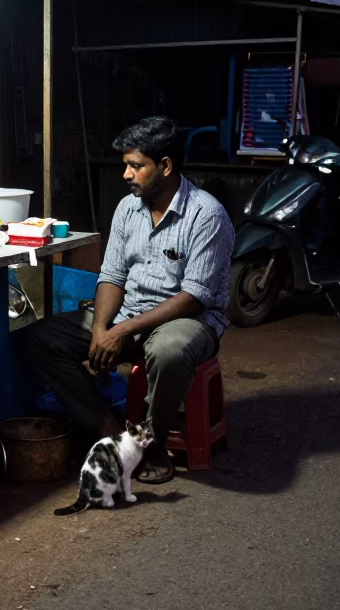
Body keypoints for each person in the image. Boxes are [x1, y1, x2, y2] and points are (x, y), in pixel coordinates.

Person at [25, 116, 235, 484]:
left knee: (169, 350)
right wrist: (101, 330)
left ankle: (151, 442)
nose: (126, 173)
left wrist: (121, 329)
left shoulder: (206, 215)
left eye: (135, 165)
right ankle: (109, 429)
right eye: (125, 165)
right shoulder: (128, 209)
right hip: (130, 314)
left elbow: (194, 298)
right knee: (42, 339)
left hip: (187, 320)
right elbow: (112, 276)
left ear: (165, 166)